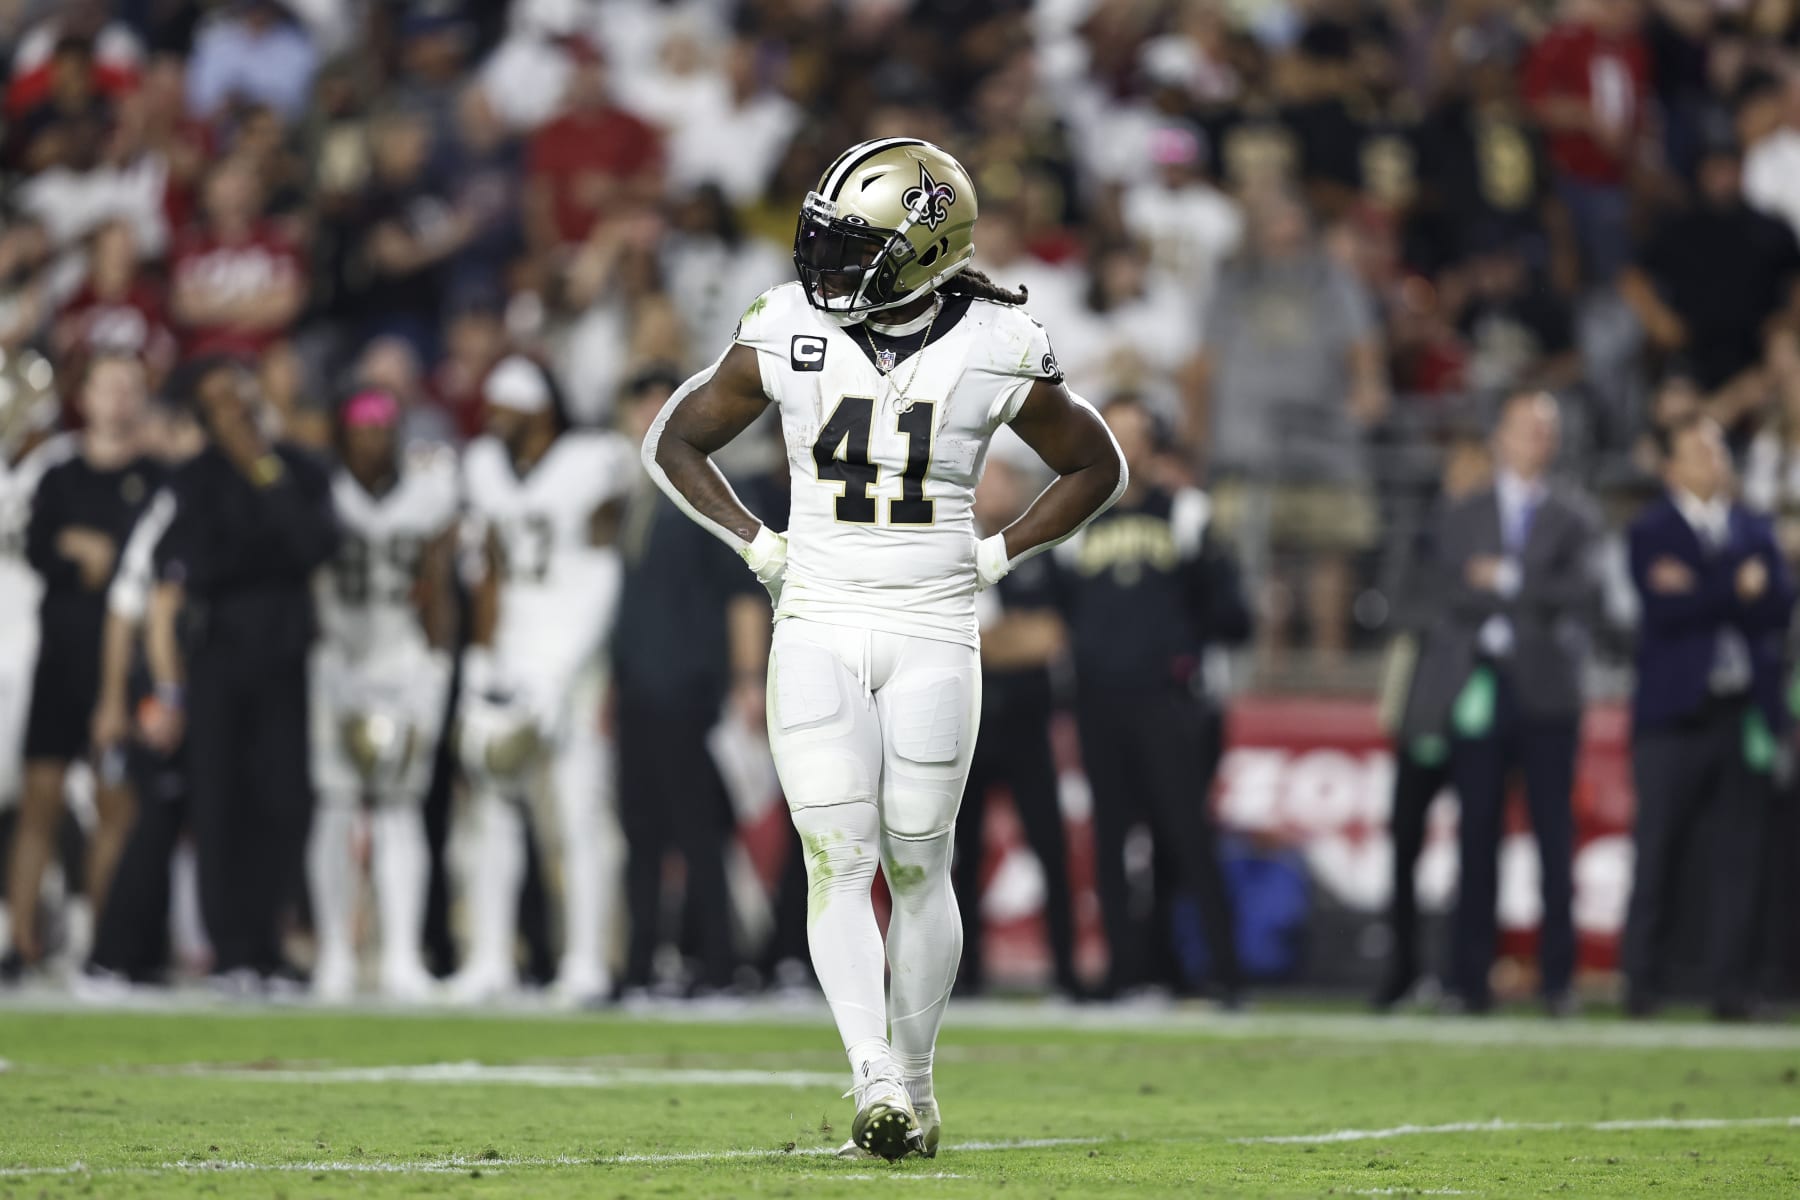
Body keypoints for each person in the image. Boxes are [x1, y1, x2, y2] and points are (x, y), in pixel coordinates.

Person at [644, 138, 1126, 1160]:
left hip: (934, 626)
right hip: (816, 614)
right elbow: (671, 438)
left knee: (918, 861)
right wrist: (761, 546)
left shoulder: (999, 338)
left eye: (851, 243)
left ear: (922, 247)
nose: (823, 261)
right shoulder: (784, 324)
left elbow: (1097, 463)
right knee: (837, 857)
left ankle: (914, 1075)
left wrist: (998, 554)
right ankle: (874, 1076)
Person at [145, 355, 339, 994]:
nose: (235, 405)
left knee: (282, 804)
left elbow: (312, 544)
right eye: (219, 397)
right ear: (202, 414)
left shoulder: (296, 467)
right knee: (220, 802)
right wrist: (263, 540)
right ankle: (229, 950)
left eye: (240, 390)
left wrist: (261, 469)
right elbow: (197, 563)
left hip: (284, 657)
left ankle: (268, 945)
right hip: (219, 658)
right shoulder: (194, 478)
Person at [1408, 392, 1600, 1015]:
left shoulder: (1575, 515)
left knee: (1552, 838)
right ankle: (1469, 982)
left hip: (1547, 695)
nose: (1537, 439)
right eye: (1526, 428)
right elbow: (1443, 591)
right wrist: (1526, 594)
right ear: (1501, 437)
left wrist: (1505, 580)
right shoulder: (1463, 513)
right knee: (1476, 836)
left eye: (1546, 429)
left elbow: (1584, 594)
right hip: (1480, 687)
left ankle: (1558, 982)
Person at [1054, 395, 1250, 1005]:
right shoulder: (1072, 517)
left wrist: (1186, 655)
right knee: (1110, 839)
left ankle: (1222, 972)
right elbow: (1059, 612)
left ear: (1155, 443)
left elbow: (1230, 611)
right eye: (1115, 430)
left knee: (1186, 836)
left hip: (1168, 701)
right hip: (1099, 701)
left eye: (1136, 432)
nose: (1125, 443)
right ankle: (1123, 971)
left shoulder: (1186, 513)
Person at [454, 355, 631, 1006]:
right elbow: (487, 570)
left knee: (580, 811)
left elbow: (606, 569)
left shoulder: (593, 459)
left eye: (509, 406)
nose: (496, 417)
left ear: (543, 410)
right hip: (509, 656)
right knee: (493, 812)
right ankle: (490, 958)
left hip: (574, 661)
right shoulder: (481, 467)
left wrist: (564, 671)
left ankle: (585, 962)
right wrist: (480, 665)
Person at [1624, 414, 1795, 1020]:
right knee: (1658, 848)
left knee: (1740, 857)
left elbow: (1777, 606)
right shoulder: (1651, 529)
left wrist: (1705, 587)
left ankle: (1731, 987)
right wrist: (1732, 587)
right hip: (1673, 714)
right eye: (1699, 451)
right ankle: (1642, 984)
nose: (1714, 461)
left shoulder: (1752, 525)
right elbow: (1664, 612)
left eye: (1718, 449)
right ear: (1672, 468)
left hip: (1740, 709)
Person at [611, 368, 766, 999]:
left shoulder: (705, 486)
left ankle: (719, 964)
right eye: (638, 402)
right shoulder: (639, 493)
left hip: (690, 684)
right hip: (639, 687)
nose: (646, 414)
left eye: (660, 402)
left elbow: (742, 595)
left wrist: (748, 678)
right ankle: (643, 964)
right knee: (641, 829)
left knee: (701, 830)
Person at [306, 388, 458, 1002]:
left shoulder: (429, 493)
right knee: (337, 803)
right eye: (360, 429)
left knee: (400, 804)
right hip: (337, 659)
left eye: (382, 428)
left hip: (403, 660)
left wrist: (439, 665)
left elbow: (441, 582)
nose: (372, 440)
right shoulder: (320, 492)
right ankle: (334, 956)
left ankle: (400, 956)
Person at [7, 352, 157, 970]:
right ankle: (17, 941)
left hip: (122, 662)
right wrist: (80, 549)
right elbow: (40, 548)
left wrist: (93, 547)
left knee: (114, 802)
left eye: (131, 387)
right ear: (85, 396)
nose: (119, 398)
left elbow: (144, 560)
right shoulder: (58, 471)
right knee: (38, 799)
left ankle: (102, 942)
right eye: (108, 384)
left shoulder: (154, 476)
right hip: (61, 655)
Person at [953, 453, 1081, 999]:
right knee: (959, 857)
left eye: (1002, 477)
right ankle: (964, 974)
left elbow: (1050, 635)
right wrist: (1007, 639)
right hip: (969, 726)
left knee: (1052, 849)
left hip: (1027, 726)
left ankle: (1070, 974)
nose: (993, 488)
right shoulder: (951, 550)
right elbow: (966, 638)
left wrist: (991, 638)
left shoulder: (1039, 550)